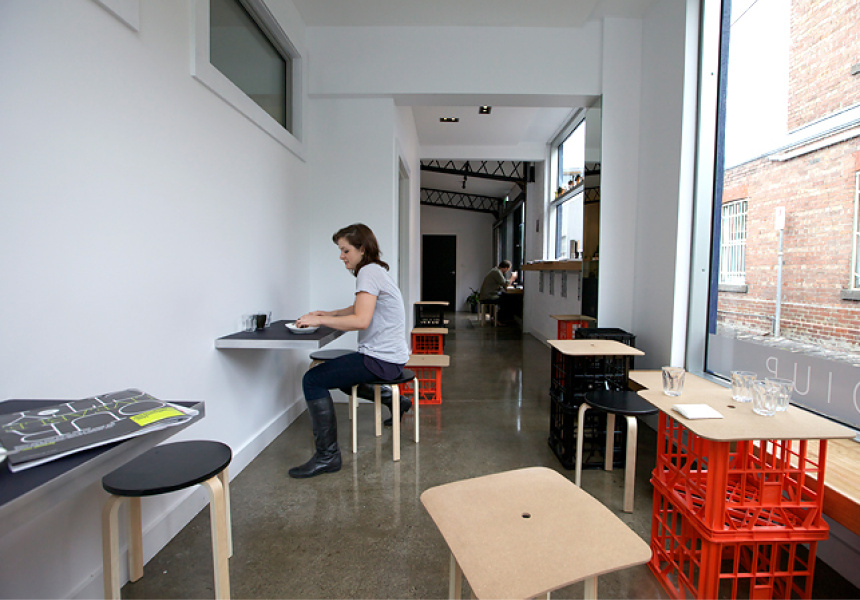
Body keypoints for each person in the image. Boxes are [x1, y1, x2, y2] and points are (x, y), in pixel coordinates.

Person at [289, 223, 410, 478]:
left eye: (345, 250)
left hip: (381, 360)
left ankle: (327, 457)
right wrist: (329, 313)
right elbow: (359, 308)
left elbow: (361, 320)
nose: (341, 256)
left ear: (362, 249)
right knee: (343, 379)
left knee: (312, 380)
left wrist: (318, 320)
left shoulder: (368, 272)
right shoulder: (375, 271)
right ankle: (395, 400)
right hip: (390, 358)